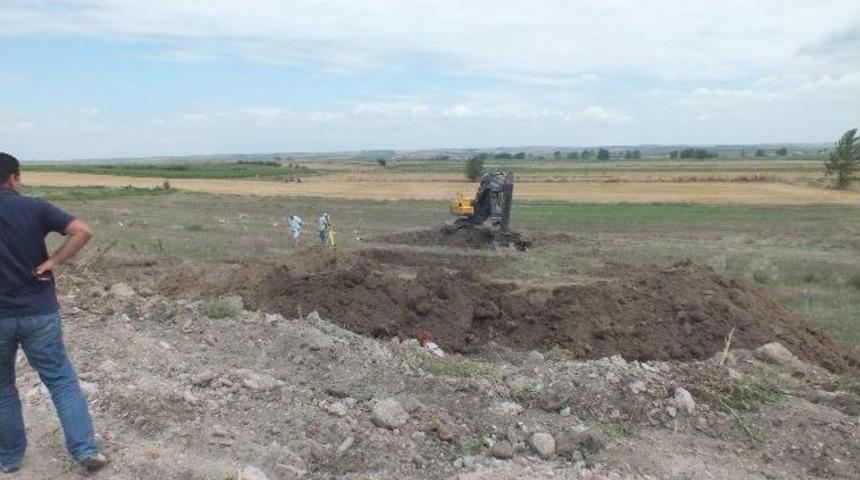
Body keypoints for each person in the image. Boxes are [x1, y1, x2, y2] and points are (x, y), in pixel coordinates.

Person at [0, 152, 107, 474]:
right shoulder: (35, 207)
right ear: (14, 177)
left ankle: (11, 457)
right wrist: (55, 261)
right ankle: (85, 450)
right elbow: (82, 230)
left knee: (3, 387)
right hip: (39, 311)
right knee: (61, 380)